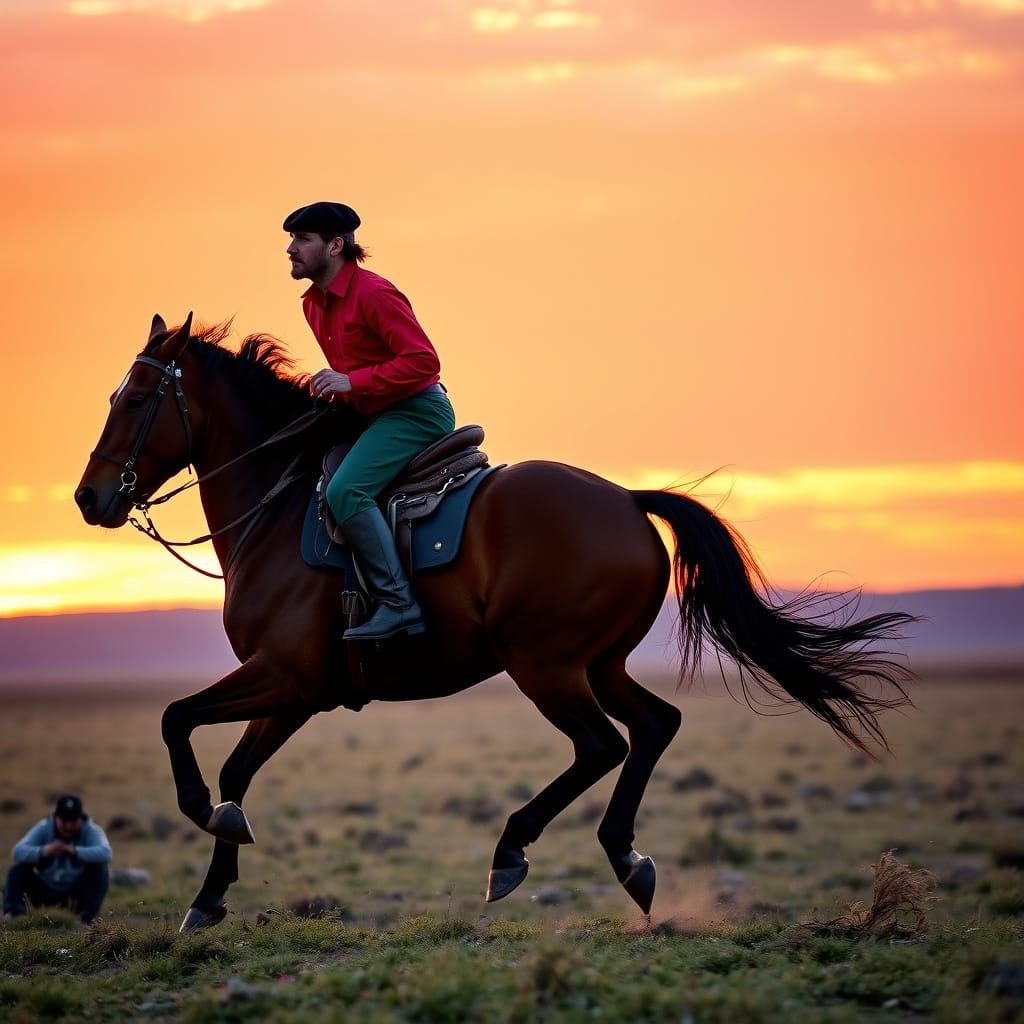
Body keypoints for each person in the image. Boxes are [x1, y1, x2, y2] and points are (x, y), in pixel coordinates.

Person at [284, 201, 456, 641]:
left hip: (417, 412)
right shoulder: (313, 305)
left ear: (336, 245)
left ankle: (399, 603)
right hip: (373, 415)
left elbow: (424, 361)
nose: (291, 248)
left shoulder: (374, 293)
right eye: (291, 239)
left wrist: (350, 381)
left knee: (347, 489)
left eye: (303, 239)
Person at [3, 795, 112, 926]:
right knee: (18, 870)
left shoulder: (91, 830)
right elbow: (17, 852)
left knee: (100, 868)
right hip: (45, 893)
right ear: (55, 817)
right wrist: (43, 851)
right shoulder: (44, 828)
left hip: (75, 895)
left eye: (73, 821)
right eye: (64, 820)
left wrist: (75, 851)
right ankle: (14, 916)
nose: (69, 825)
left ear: (81, 818)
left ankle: (87, 921)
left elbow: (106, 853)